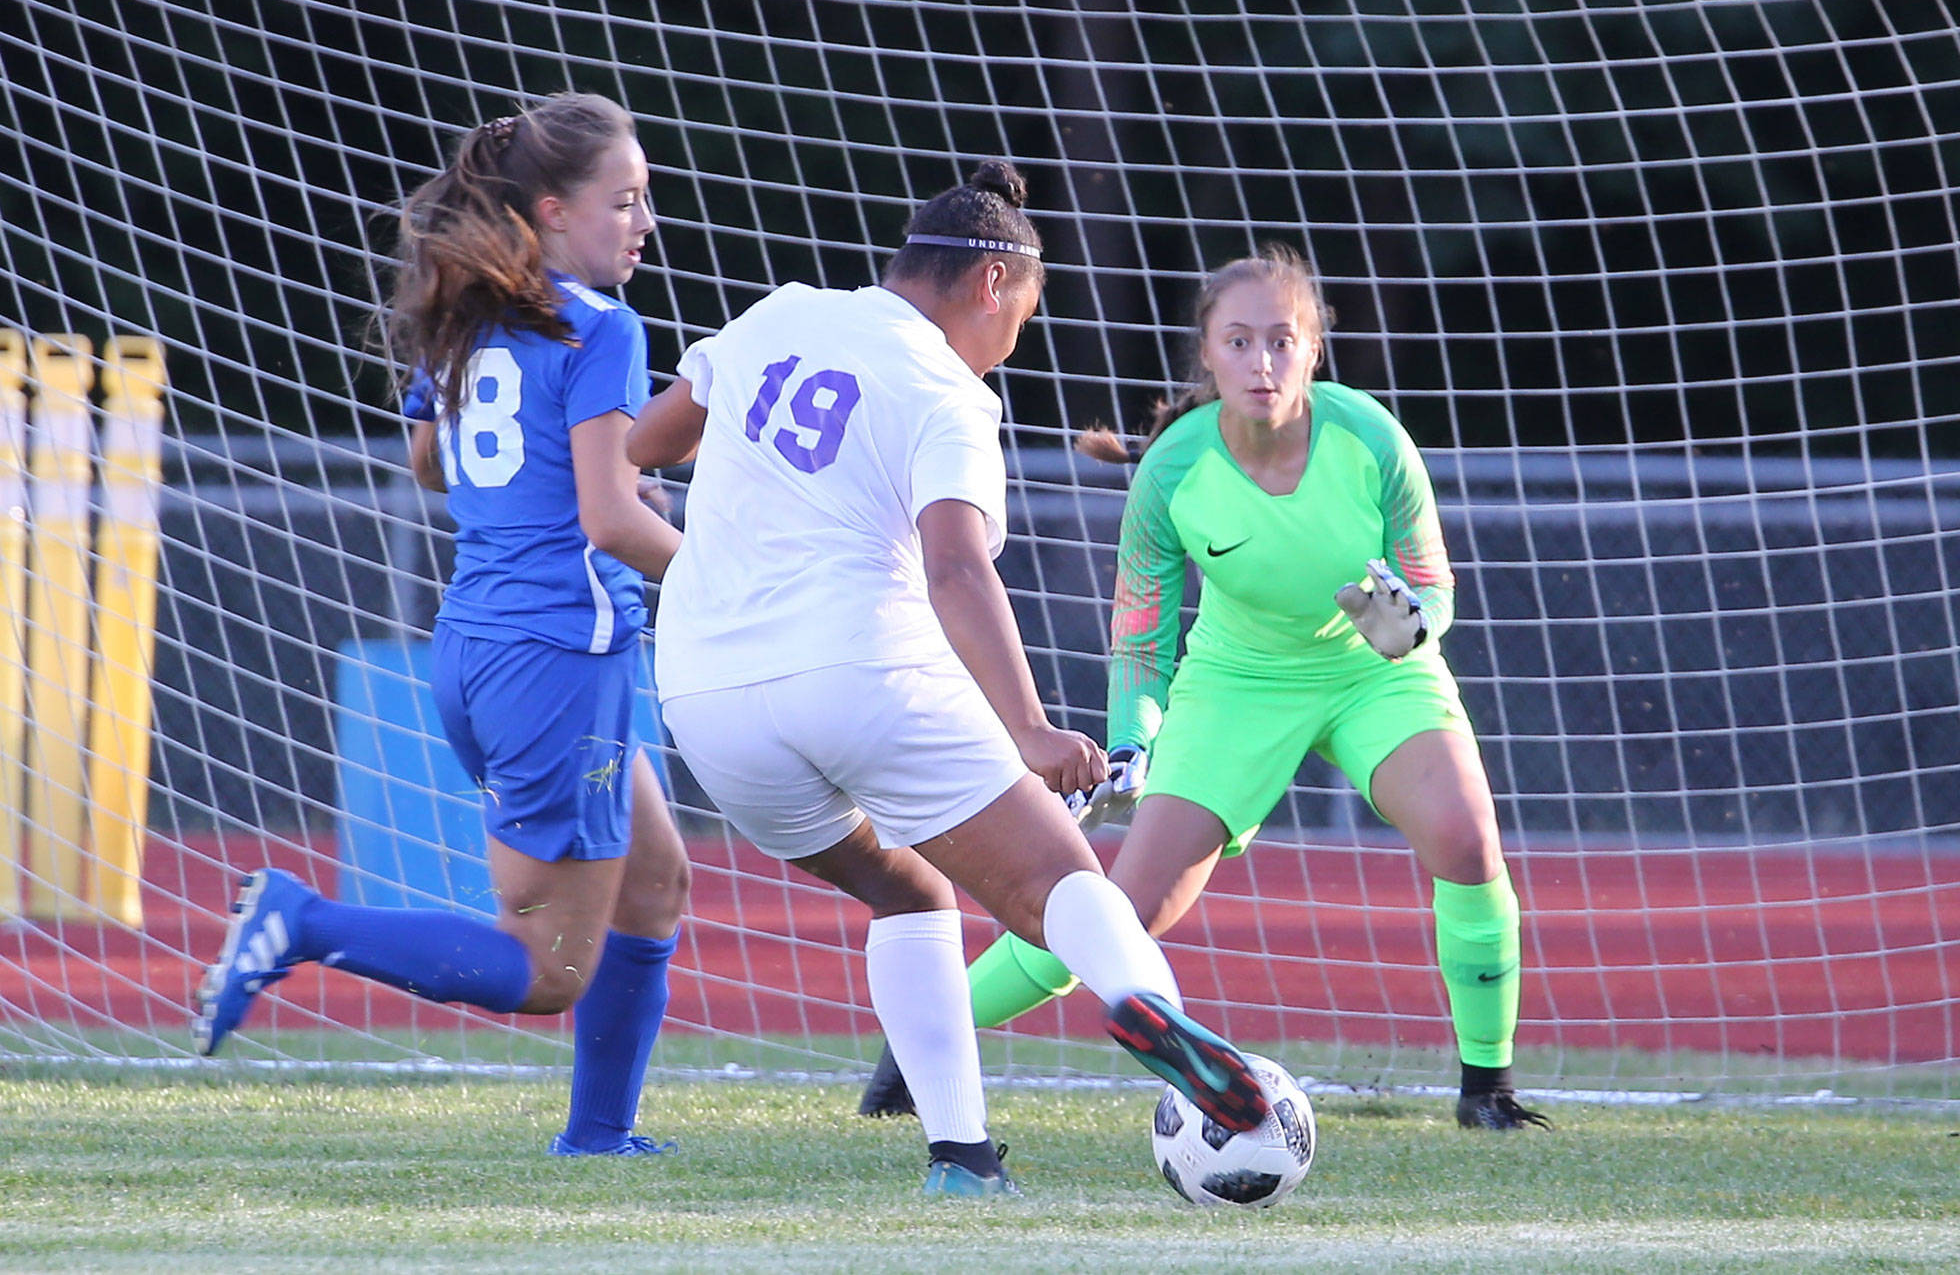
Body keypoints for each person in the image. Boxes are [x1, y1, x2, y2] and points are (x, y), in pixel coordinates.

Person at [624, 160, 1270, 1198]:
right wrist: (1027, 728)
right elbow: (957, 569)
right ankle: (1158, 1016)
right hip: (856, 669)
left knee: (905, 885)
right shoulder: (947, 391)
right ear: (989, 283)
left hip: (703, 694)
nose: (1014, 339)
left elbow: (646, 443)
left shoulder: (780, 313)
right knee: (1056, 880)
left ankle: (962, 1159)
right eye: (1024, 314)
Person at [860, 243, 1550, 1131]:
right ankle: (921, 1045)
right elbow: (1141, 640)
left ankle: (1487, 1088)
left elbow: (1433, 589)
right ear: (1208, 354)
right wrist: (1132, 740)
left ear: (1313, 350)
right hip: (1236, 684)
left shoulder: (1372, 438)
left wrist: (1411, 624)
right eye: (1240, 341)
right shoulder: (1174, 468)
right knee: (1122, 911)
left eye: (1282, 341)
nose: (1262, 362)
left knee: (1466, 839)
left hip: (1374, 676)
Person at [193, 93, 693, 1157]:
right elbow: (609, 519)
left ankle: (600, 1138)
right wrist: (729, 582)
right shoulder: (602, 325)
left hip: (477, 646)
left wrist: (569, 481)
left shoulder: (471, 316)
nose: (645, 223)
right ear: (553, 211)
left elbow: (432, 462)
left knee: (654, 886)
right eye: (624, 201)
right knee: (548, 969)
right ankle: (302, 920)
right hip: (558, 659)